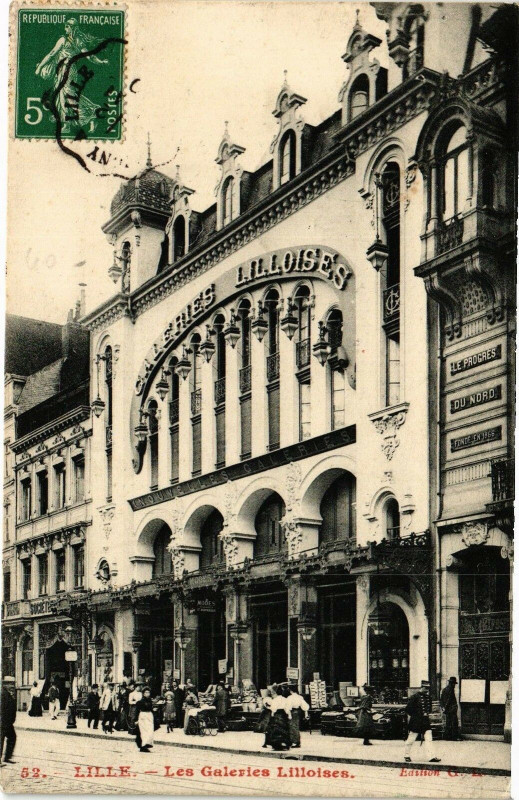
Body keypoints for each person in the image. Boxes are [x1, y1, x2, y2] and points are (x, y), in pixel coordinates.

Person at [34, 18, 108, 134]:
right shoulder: (78, 40)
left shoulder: (65, 40)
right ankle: (89, 114)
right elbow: (89, 56)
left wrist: (39, 67)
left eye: (67, 26)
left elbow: (51, 54)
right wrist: (101, 62)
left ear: (71, 28)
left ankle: (70, 123)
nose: (65, 29)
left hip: (67, 70)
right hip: (64, 70)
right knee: (66, 94)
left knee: (65, 95)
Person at [404, 682, 441, 763]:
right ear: (422, 687)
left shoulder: (428, 697)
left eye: (428, 688)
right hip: (416, 721)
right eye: (425, 688)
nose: (427, 690)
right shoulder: (414, 697)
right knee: (411, 739)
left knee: (429, 739)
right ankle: (406, 755)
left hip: (425, 721)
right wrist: (416, 715)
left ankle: (431, 756)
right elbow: (408, 709)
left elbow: (429, 709)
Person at [263, 686, 291, 751]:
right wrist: (289, 715)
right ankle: (286, 744)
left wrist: (272, 714)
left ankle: (277, 745)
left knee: (276, 730)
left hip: (277, 714)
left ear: (276, 693)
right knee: (284, 729)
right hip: (283, 714)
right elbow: (287, 708)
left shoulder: (275, 700)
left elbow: (273, 709)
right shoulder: (285, 699)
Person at [1, 680, 17, 765]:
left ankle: (7, 757)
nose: (12, 686)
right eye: (9, 684)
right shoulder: (3, 694)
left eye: (12, 684)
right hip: (3, 721)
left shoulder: (8, 693)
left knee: (12, 737)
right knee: (1, 739)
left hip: (8, 722)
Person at [135, 687, 155, 752]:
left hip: (149, 716)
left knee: (150, 731)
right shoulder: (140, 702)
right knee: (144, 731)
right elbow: (137, 711)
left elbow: (151, 709)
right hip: (143, 716)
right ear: (143, 693)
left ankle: (147, 744)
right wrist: (136, 720)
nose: (147, 694)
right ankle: (143, 746)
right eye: (146, 692)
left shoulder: (150, 701)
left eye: (148, 692)